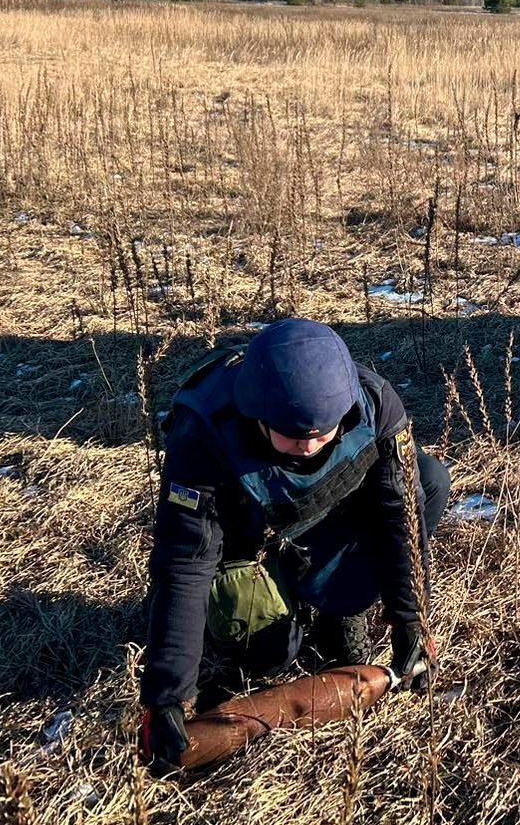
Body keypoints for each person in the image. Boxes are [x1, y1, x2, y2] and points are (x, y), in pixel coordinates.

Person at [137, 318, 450, 775]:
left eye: (321, 433)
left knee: (428, 480)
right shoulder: (203, 431)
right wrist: (166, 694)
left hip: (324, 518)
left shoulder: (376, 403)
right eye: (291, 434)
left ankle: (340, 607)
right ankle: (279, 605)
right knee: (269, 654)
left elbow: (398, 515)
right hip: (247, 541)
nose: (307, 447)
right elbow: (184, 562)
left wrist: (410, 620)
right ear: (256, 414)